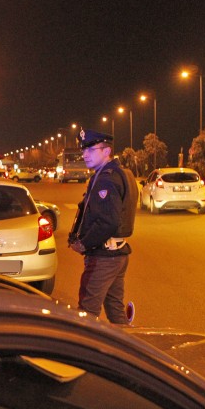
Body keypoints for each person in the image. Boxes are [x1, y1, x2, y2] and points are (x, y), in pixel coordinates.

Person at [68, 129, 138, 325]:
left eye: (90, 149)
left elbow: (108, 221)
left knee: (86, 314)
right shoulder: (122, 173)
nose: (84, 154)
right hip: (118, 254)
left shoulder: (106, 179)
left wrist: (84, 243)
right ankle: (129, 350)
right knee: (115, 310)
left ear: (106, 151)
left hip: (104, 257)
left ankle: (82, 353)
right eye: (83, 150)